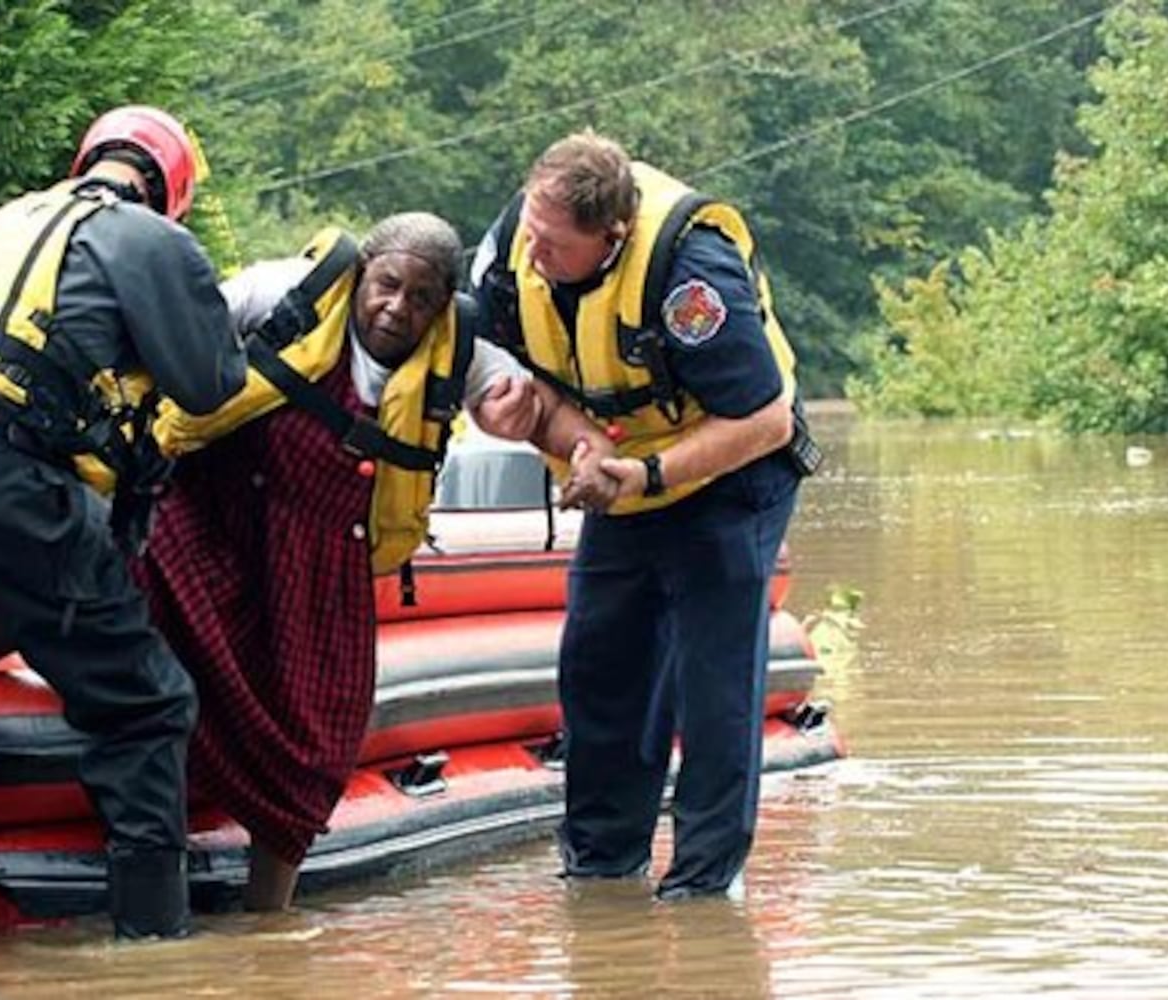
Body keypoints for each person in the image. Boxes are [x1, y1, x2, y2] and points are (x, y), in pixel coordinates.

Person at [135, 211, 616, 910]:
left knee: (319, 738)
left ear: (443, 303)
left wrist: (589, 453)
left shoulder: (460, 349)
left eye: (421, 298)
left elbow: (535, 412)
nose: (398, 308)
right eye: (386, 285)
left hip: (327, 554)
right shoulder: (284, 291)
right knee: (164, 654)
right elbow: (176, 329)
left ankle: (270, 923)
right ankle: (157, 864)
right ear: (363, 274)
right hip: (218, 516)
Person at [0, 105, 246, 939]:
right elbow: (212, 383)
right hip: (8, 493)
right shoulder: (152, 240)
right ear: (170, 188)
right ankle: (155, 950)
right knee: (148, 705)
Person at [469, 129, 817, 900]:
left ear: (612, 237)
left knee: (712, 683)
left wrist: (648, 474)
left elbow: (767, 420)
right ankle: (600, 870)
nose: (535, 254)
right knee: (599, 667)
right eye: (533, 232)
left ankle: (701, 887)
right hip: (619, 472)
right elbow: (503, 374)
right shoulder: (513, 250)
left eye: (555, 245)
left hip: (729, 475)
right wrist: (566, 437)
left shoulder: (692, 277)